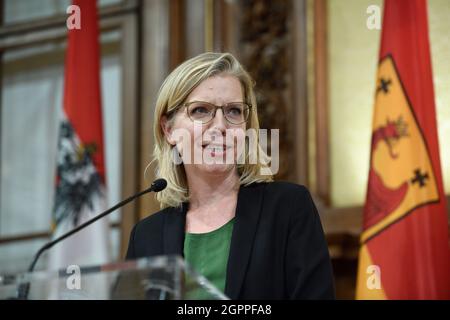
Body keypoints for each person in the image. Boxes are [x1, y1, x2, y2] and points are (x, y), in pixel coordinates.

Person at [126, 52, 335, 300]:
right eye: (201, 110)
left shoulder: (288, 208)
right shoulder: (146, 236)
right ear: (169, 129)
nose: (220, 126)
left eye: (234, 111)